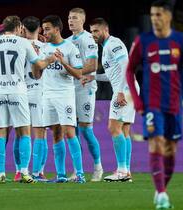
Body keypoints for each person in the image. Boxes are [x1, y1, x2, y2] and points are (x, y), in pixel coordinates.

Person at [126, 0, 183, 209]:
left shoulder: (180, 40)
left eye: (159, 15)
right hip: (152, 105)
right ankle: (162, 195)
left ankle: (160, 189)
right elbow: (129, 70)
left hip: (174, 104)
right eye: (152, 15)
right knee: (156, 143)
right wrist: (136, 99)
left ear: (169, 17)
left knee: (170, 150)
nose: (155, 19)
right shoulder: (143, 40)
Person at [0, 15, 55, 183]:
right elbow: (39, 65)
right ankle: (25, 172)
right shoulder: (24, 43)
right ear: (19, 27)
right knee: (24, 132)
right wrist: (51, 59)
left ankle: (2, 173)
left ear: (4, 27)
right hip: (18, 91)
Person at [84, 18, 139, 182]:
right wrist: (93, 77)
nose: (93, 34)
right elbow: (113, 75)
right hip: (129, 88)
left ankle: (121, 170)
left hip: (125, 90)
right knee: (124, 130)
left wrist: (121, 91)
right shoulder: (107, 47)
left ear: (105, 30)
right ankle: (126, 171)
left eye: (96, 31)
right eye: (91, 31)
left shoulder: (113, 43)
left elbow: (126, 66)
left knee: (113, 127)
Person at [33, 15, 85, 183]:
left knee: (69, 133)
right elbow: (36, 75)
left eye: (47, 28)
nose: (44, 32)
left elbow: (79, 74)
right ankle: (61, 174)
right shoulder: (44, 49)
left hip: (65, 95)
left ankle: (80, 173)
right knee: (55, 134)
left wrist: (63, 62)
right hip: (47, 95)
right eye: (43, 29)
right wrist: (38, 61)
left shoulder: (70, 48)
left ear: (57, 29)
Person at [66, 8, 103, 182]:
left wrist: (74, 72)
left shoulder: (88, 38)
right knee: (72, 131)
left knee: (86, 129)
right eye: (69, 18)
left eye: (74, 18)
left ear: (82, 20)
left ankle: (98, 167)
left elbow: (93, 65)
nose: (70, 21)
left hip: (84, 88)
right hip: (69, 89)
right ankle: (77, 170)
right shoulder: (66, 41)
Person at [21, 16, 48, 182]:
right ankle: (38, 172)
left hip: (22, 91)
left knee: (23, 134)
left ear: (23, 28)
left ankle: (20, 171)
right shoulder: (45, 47)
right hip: (39, 91)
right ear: (39, 29)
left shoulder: (19, 45)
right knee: (40, 133)